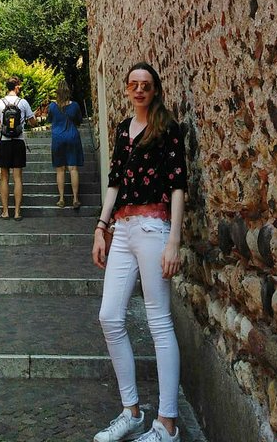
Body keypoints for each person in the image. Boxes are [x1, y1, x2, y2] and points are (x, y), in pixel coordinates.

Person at [91, 62, 187, 442]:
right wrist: (101, 228)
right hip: (123, 229)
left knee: (158, 321)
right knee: (110, 315)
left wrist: (174, 240)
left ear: (155, 89)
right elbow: (114, 182)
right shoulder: (121, 130)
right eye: (133, 84)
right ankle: (131, 412)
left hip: (153, 228)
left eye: (145, 84)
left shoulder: (168, 129)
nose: (139, 90)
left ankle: (167, 424)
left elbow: (178, 185)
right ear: (127, 90)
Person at [0, 77, 36, 221]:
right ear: (17, 87)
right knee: (18, 178)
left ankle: (5, 212)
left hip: (4, 142)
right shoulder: (23, 103)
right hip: (18, 142)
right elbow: (33, 122)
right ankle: (17, 212)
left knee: (4, 177)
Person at [47, 82, 84, 209]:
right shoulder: (75, 106)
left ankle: (61, 198)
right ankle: (75, 198)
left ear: (57, 93)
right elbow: (79, 121)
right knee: (73, 169)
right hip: (72, 137)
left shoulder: (52, 106)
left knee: (60, 170)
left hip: (58, 138)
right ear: (68, 92)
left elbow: (50, 120)